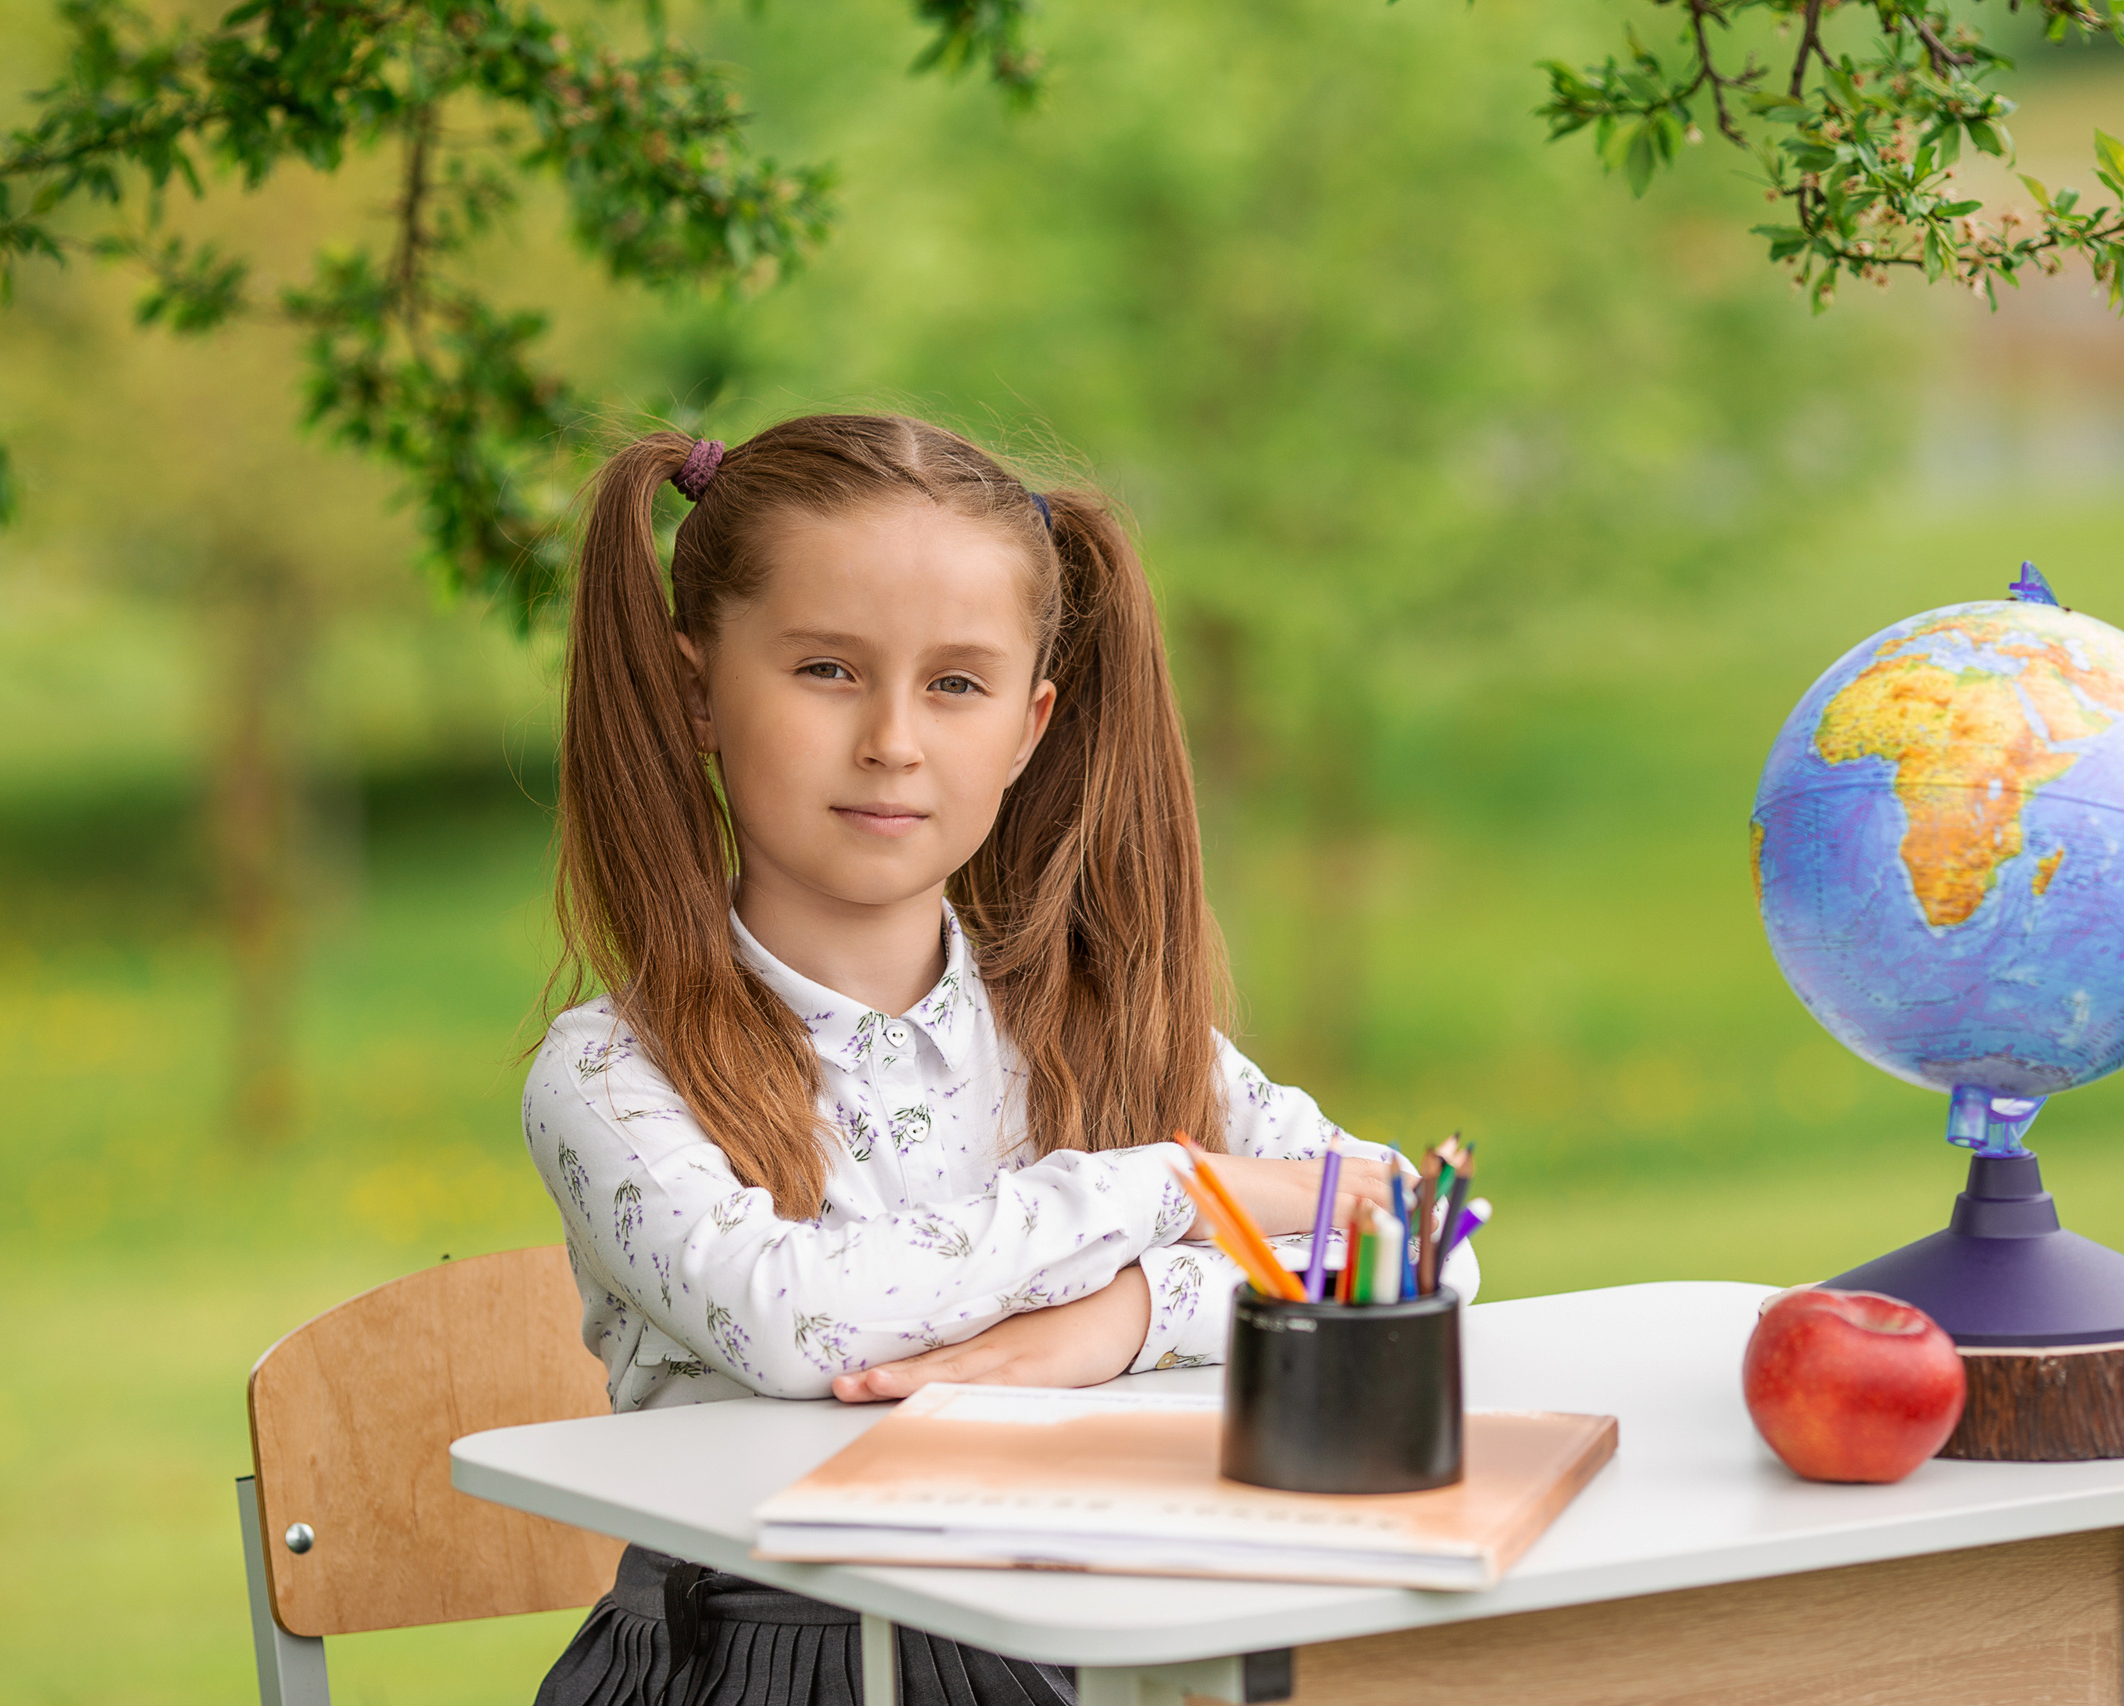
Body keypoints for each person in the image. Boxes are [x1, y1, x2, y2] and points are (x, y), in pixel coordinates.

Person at [523, 414, 1479, 1706]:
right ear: (696, 685)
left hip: (1099, 1635)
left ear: (1029, 727)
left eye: (956, 684)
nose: (894, 741)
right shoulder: (609, 1072)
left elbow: (1421, 1242)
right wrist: (1183, 1195)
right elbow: (799, 1318)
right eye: (825, 668)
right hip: (770, 1659)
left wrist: (1116, 1321)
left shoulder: (1092, 1027)